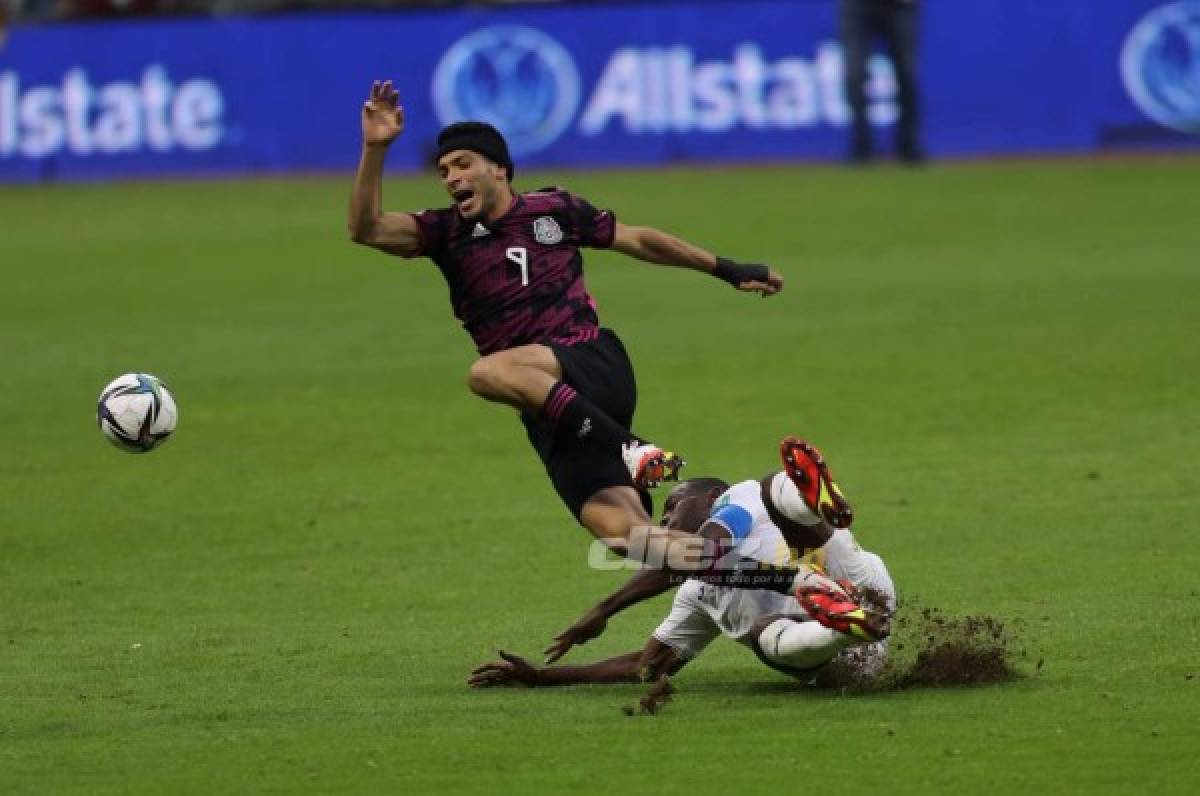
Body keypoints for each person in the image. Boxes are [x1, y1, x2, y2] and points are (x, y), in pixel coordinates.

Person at [347, 80, 783, 558]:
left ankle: (631, 449)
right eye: (444, 170)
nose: (451, 177)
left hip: (590, 359)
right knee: (630, 538)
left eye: (463, 164)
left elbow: (639, 240)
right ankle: (786, 572)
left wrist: (725, 268)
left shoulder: (554, 209)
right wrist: (374, 149)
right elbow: (366, 229)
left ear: (499, 168)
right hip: (550, 408)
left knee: (486, 371)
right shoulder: (445, 232)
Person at [469, 454, 895, 688]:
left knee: (768, 494)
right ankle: (839, 624)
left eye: (674, 506)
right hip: (856, 653)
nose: (667, 522)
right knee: (764, 629)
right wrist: (542, 678)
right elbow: (645, 665)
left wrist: (608, 606)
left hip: (863, 584)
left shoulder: (737, 502)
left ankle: (810, 499)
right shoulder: (696, 595)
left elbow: (704, 550)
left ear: (710, 496)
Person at [840, 0, 924, 163]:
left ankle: (908, 146)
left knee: (907, 75)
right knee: (855, 75)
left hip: (899, 6)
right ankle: (861, 148)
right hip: (857, 7)